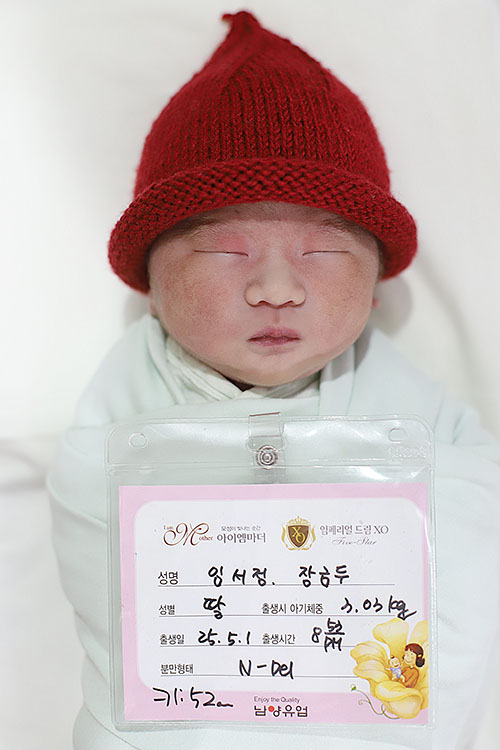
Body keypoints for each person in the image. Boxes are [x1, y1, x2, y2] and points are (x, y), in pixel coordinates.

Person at [47, 10, 500, 750]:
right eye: (226, 254)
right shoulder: (127, 391)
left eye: (324, 252)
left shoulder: (399, 392)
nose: (277, 289)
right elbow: (86, 499)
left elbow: (475, 507)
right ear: (151, 288)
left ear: (376, 288)